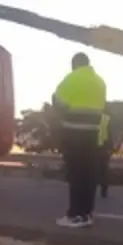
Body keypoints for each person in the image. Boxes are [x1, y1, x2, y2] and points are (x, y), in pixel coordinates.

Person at [50, 52, 108, 228]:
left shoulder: (71, 79)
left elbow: (57, 101)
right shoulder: (100, 82)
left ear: (74, 64)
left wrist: (64, 115)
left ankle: (74, 215)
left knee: (75, 176)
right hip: (93, 135)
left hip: (74, 134)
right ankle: (86, 214)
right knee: (89, 176)